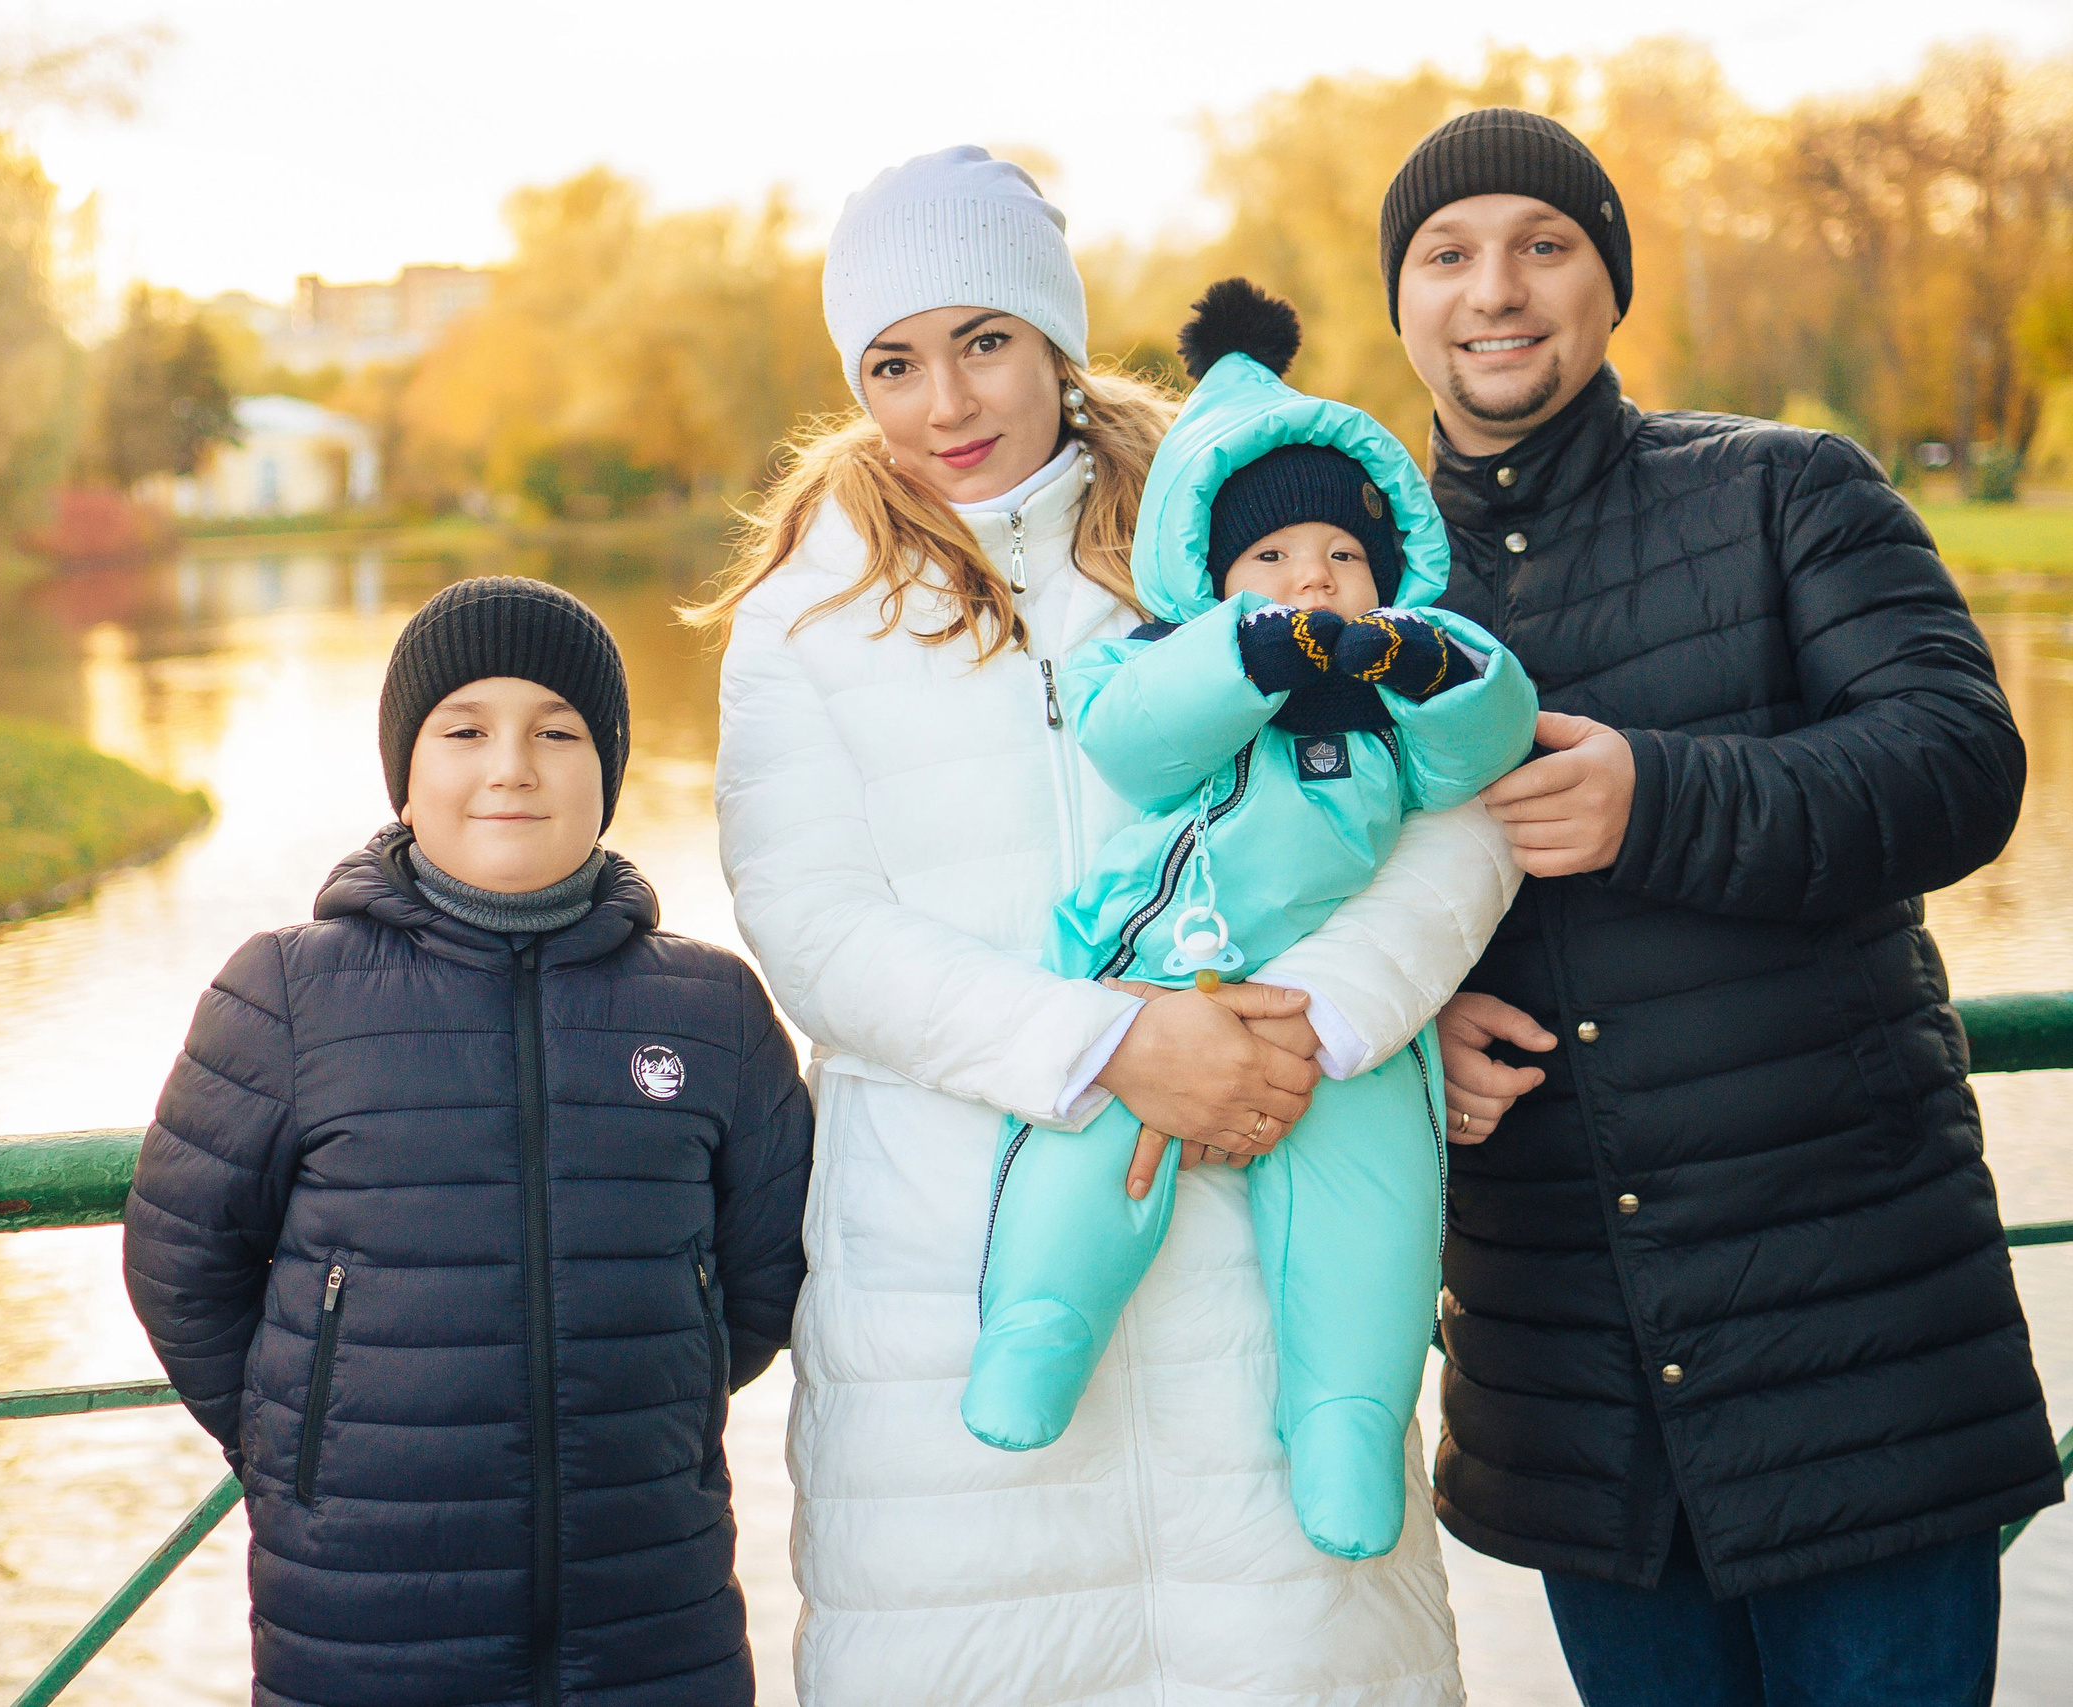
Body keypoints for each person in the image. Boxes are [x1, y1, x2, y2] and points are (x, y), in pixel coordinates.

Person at [695, 145, 1513, 1704]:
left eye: (986, 339)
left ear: (1054, 335)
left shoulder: (1244, 535)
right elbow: (811, 924)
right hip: (957, 1274)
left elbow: (1457, 798)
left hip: (1267, 1226)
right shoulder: (806, 614)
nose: (947, 400)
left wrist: (1331, 1014)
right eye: (894, 359)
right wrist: (1109, 1042)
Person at [1379, 108, 2060, 1705]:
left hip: (1860, 1364)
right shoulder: (1355, 594)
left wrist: (1657, 797)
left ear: (1608, 283)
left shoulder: (1784, 489)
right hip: (1578, 1395)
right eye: (1448, 253)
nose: (1498, 288)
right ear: (1400, 302)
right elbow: (1257, 908)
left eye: (1544, 245)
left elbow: (1962, 763)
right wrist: (1410, 1029)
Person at [120, 577, 813, 1707]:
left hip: (649, 1603)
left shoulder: (710, 1009)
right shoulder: (287, 992)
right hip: (362, 1611)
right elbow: (181, 1266)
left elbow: (762, 1272)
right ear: (406, 768)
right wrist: (304, 1449)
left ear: (611, 767)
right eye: (465, 729)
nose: (511, 767)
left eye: (557, 730)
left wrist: (654, 1404)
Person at [965, 279, 1537, 1572]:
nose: (1311, 579)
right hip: (1157, 982)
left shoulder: (1402, 680)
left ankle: (1346, 1422)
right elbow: (1137, 736)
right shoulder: (1157, 656)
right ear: (1213, 575)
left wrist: (1421, 665)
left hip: (1340, 1017)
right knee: (1084, 1166)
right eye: (1272, 560)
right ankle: (1037, 1332)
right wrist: (1255, 651)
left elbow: (1484, 747)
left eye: (1339, 556)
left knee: (1372, 1221)